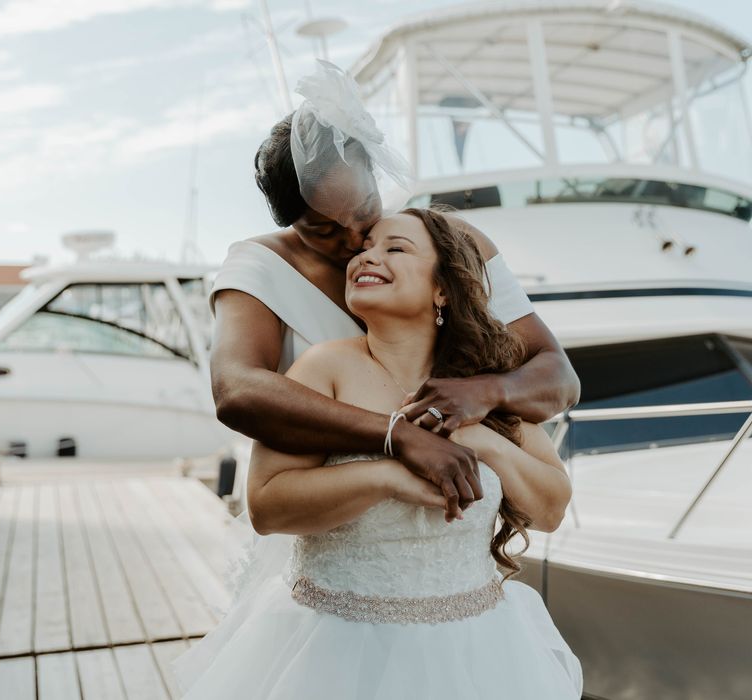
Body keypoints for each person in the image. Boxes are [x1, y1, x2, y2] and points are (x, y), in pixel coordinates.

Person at [174, 208, 583, 699]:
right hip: (330, 652)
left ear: (442, 290)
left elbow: (552, 509)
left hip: (475, 651)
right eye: (365, 248)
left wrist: (482, 439)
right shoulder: (324, 367)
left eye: (396, 247)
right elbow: (265, 506)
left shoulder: (484, 380)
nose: (367, 255)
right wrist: (386, 477)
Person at [209, 61, 579, 520]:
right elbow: (236, 391)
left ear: (374, 175)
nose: (352, 240)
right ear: (289, 221)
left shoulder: (445, 247)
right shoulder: (260, 267)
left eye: (364, 208)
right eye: (323, 230)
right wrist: (397, 436)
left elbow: (559, 378)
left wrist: (487, 393)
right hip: (324, 514)